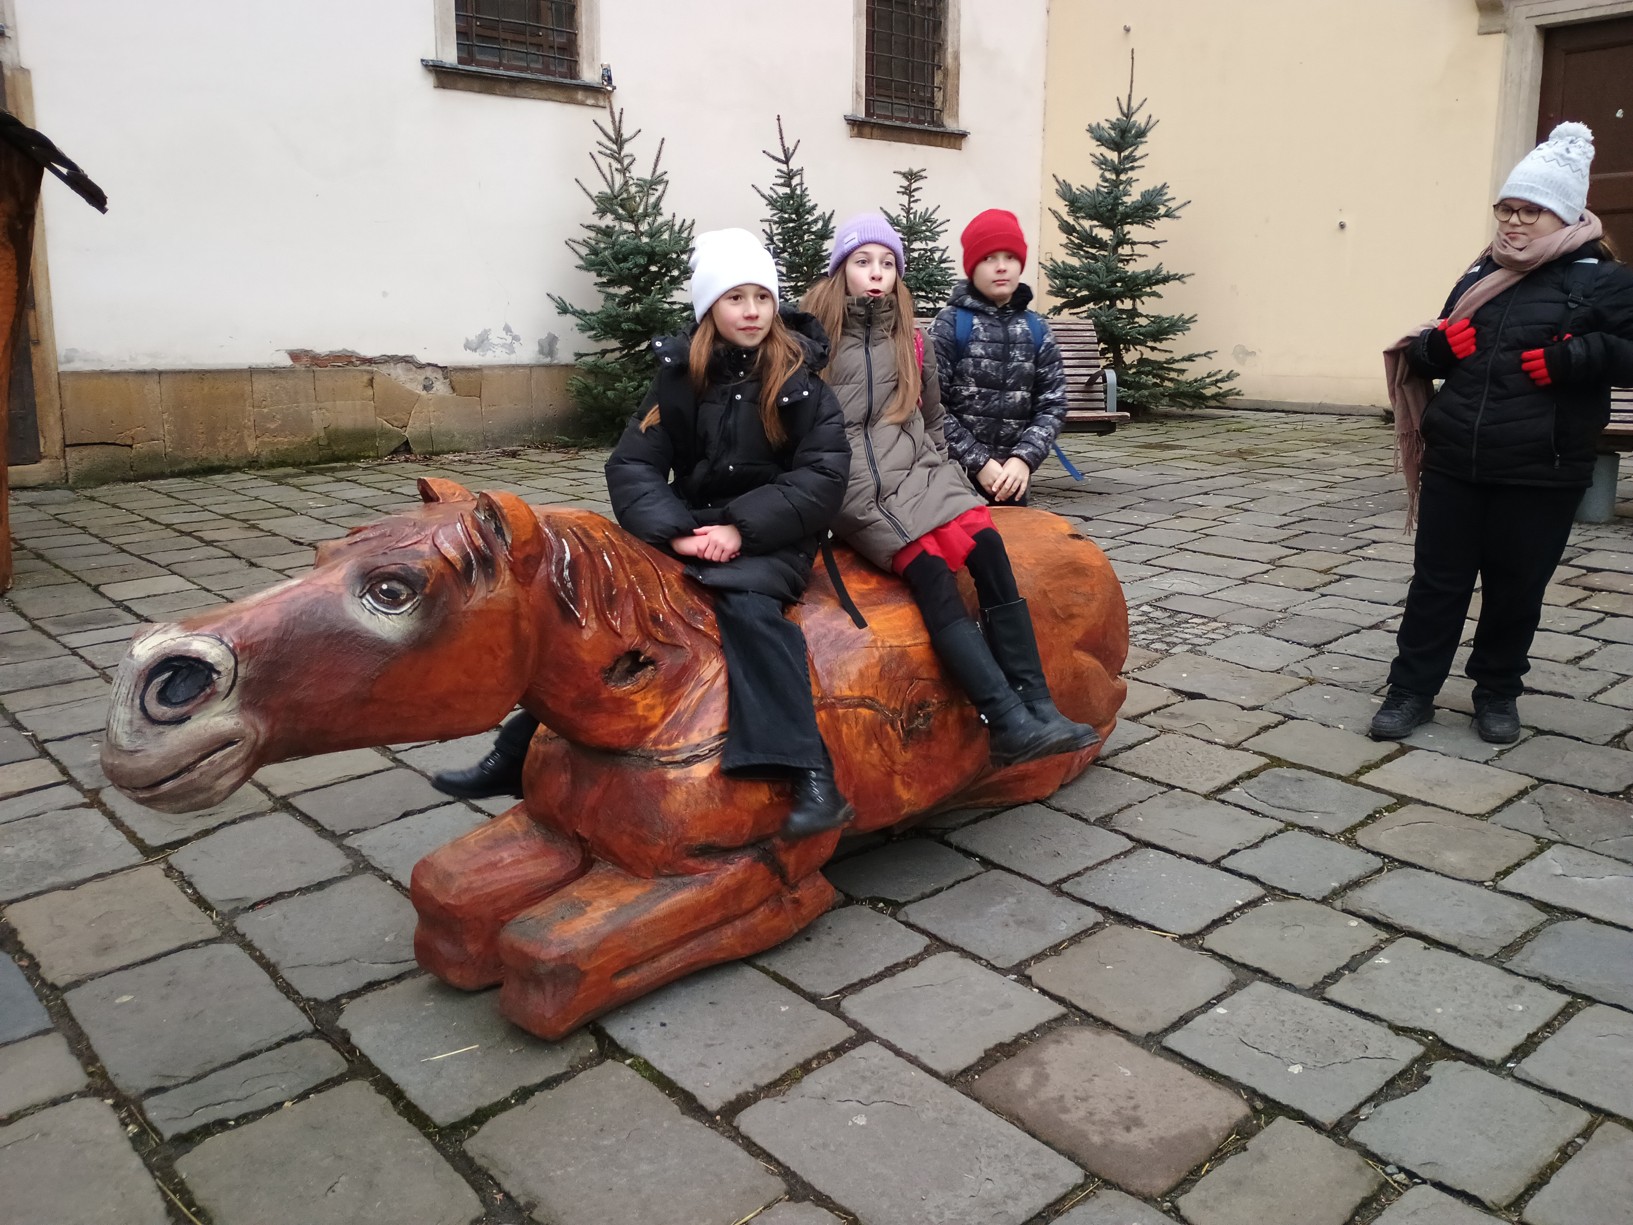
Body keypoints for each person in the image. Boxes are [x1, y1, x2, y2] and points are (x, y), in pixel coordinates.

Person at [436, 228, 855, 839]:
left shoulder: (802, 384)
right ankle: (517, 749)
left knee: (749, 611)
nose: (752, 311)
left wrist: (740, 530)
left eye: (762, 297)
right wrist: (677, 532)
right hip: (688, 526)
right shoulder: (680, 377)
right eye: (735, 298)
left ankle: (812, 776)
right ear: (709, 307)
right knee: (599, 606)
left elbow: (822, 475)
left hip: (771, 536)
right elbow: (633, 463)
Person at [802, 213, 1096, 764]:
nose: (876, 273)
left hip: (919, 470)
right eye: (863, 262)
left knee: (988, 544)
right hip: (858, 486)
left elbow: (932, 418)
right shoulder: (813, 339)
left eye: (887, 263)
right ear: (840, 269)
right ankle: (1004, 720)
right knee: (932, 571)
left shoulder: (911, 336)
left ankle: (1037, 702)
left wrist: (947, 476)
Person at [1374, 121, 1633, 744]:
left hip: (1542, 466)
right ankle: (1411, 691)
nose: (1514, 223)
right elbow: (1439, 345)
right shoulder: (1480, 272)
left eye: (1530, 211)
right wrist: (1436, 349)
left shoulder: (1605, 279)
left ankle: (1496, 693)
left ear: (1563, 214)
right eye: (1506, 209)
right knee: (1436, 585)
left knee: (1516, 591)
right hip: (1456, 456)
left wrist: (1580, 356)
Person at [931, 208, 1069, 507]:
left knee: (1014, 538)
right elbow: (930, 406)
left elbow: (1052, 403)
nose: (1002, 267)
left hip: (1012, 481)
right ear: (972, 267)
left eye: (1010, 257)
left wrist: (1024, 459)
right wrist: (978, 462)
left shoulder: (1036, 328)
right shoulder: (951, 324)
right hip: (954, 480)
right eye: (989, 258)